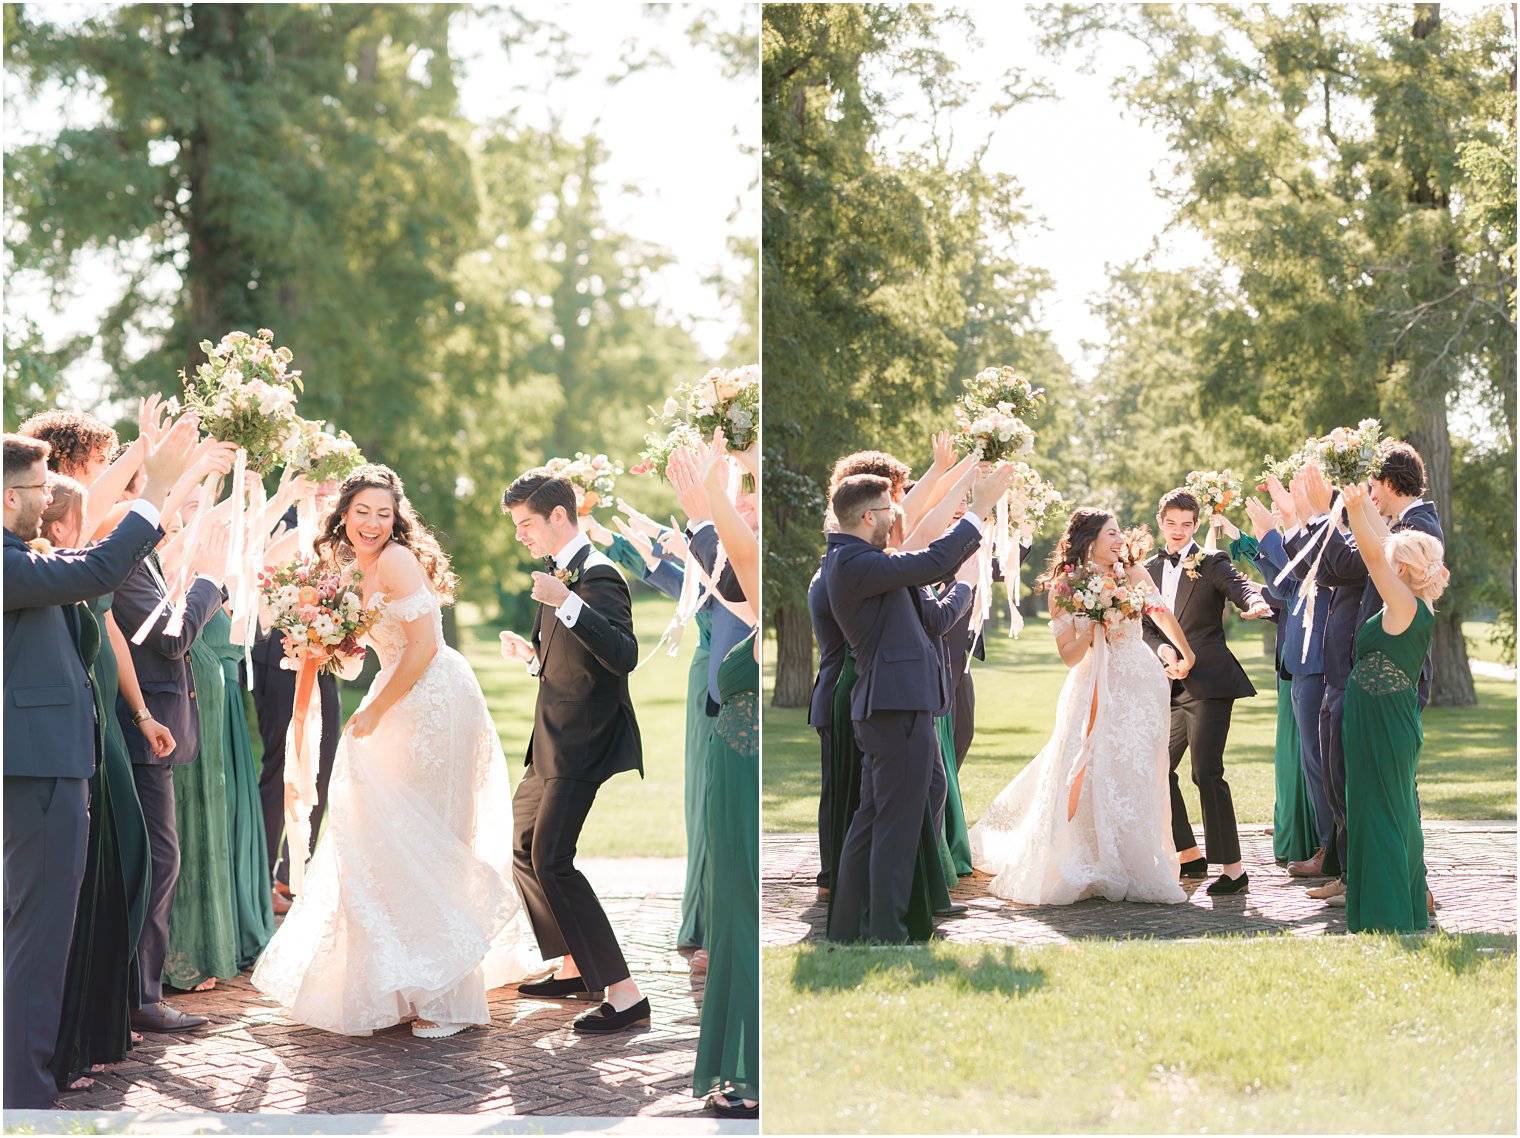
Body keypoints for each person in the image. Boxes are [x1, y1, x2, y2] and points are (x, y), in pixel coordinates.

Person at [251, 465, 539, 1037]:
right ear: (345, 514)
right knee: (386, 834)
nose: (373, 524)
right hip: (397, 688)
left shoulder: (398, 560)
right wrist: (317, 643)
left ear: (396, 518)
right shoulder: (350, 568)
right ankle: (405, 979)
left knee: (424, 836)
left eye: (384, 514)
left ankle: (447, 997)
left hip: (433, 699)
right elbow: (362, 655)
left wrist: (378, 709)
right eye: (363, 512)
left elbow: (426, 646)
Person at [4, 424, 193, 1109]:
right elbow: (97, 569)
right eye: (35, 488)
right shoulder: (5, 561)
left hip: (46, 763)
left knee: (41, 928)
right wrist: (161, 483)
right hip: (34, 768)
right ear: (6, 497)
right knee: (37, 932)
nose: (44, 497)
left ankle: (36, 1070)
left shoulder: (19, 556)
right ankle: (21, 1091)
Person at [970, 509, 1195, 905]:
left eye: (1119, 532)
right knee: (1088, 768)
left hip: (1140, 686)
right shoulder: (1064, 588)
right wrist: (1093, 628)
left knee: (1138, 771)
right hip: (1091, 687)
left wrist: (1186, 652)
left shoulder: (1135, 575)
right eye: (1112, 533)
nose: (1120, 539)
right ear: (1091, 540)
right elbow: (1069, 657)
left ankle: (1136, 861)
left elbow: (1162, 614)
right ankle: (1089, 858)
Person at [823, 466, 1004, 943]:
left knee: (873, 819)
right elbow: (931, 559)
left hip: (891, 705)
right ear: (866, 517)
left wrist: (964, 572)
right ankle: (889, 929)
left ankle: (849, 928)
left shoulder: (864, 559)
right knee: (895, 826)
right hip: (895, 708)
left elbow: (930, 572)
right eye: (889, 510)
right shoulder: (855, 562)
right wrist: (980, 509)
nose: (895, 517)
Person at [498, 469, 648, 1034]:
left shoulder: (600, 576)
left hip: (583, 742)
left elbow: (622, 655)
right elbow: (567, 662)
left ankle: (626, 993)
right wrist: (531, 660)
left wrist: (566, 603)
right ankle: (572, 963)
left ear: (559, 516)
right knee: (522, 844)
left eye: (526, 524)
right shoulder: (559, 577)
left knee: (553, 859)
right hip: (548, 742)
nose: (522, 536)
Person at [112, 474, 230, 1033]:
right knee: (159, 862)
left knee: (158, 861)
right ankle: (143, 998)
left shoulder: (147, 560)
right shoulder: (128, 566)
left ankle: (139, 992)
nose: (184, 511)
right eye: (176, 499)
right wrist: (211, 579)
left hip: (155, 731)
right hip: (137, 735)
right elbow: (172, 638)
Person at [1141, 488, 1271, 896]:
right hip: (1169, 683)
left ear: (1196, 525)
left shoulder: (1211, 561)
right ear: (1161, 522)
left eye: (1186, 524)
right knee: (1157, 768)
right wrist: (1164, 651)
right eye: (1171, 523)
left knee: (1206, 772)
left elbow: (1240, 585)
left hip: (1210, 682)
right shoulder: (1146, 569)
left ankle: (1233, 869)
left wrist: (1254, 601)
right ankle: (1188, 854)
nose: (1178, 531)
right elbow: (1144, 625)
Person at [1338, 482, 1448, 932]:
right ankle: (1397, 907)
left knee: (1383, 811)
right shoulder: (1408, 600)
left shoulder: (1403, 603)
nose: (1385, 561)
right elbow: (1380, 545)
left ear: (1403, 569)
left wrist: (1357, 506)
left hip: (1383, 722)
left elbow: (1370, 555)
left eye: (1392, 559)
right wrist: (1359, 506)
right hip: (1377, 719)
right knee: (1386, 808)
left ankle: (1386, 916)